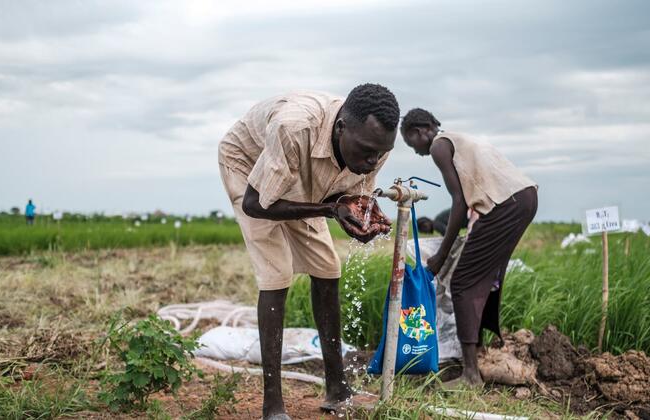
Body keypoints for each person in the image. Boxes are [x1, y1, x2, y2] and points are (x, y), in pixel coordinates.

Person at [218, 84, 398, 419]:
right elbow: (257, 204)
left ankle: (336, 387)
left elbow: (357, 196)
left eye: (380, 154)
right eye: (367, 152)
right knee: (277, 273)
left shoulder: (374, 145)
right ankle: (273, 404)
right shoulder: (295, 127)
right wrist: (330, 210)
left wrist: (363, 216)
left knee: (327, 267)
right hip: (249, 166)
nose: (373, 162)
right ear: (342, 128)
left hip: (300, 176)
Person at [401, 108, 538, 387]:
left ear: (420, 131)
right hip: (525, 198)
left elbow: (459, 201)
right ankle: (478, 351)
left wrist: (440, 256)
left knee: (462, 282)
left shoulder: (440, 145)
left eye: (410, 142)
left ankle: (471, 375)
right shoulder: (459, 139)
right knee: (485, 278)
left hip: (504, 206)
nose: (415, 151)